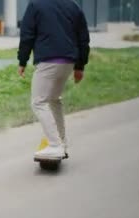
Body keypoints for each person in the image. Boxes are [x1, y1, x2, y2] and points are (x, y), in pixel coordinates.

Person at [17, 0, 90, 159]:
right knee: (54, 100)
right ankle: (61, 142)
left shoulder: (36, 5)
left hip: (49, 61)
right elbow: (83, 38)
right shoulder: (73, 5)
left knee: (38, 102)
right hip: (68, 62)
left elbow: (27, 35)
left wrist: (22, 61)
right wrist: (80, 66)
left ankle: (55, 145)